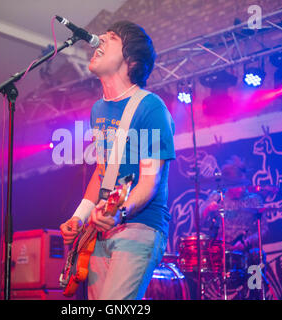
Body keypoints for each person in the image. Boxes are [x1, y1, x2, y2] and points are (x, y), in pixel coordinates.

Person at [60, 21, 175, 300]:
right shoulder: (98, 109)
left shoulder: (151, 107)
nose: (98, 40)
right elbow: (103, 172)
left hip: (140, 226)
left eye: (110, 38)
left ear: (131, 60)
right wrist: (79, 216)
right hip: (100, 233)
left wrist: (120, 213)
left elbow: (149, 181)